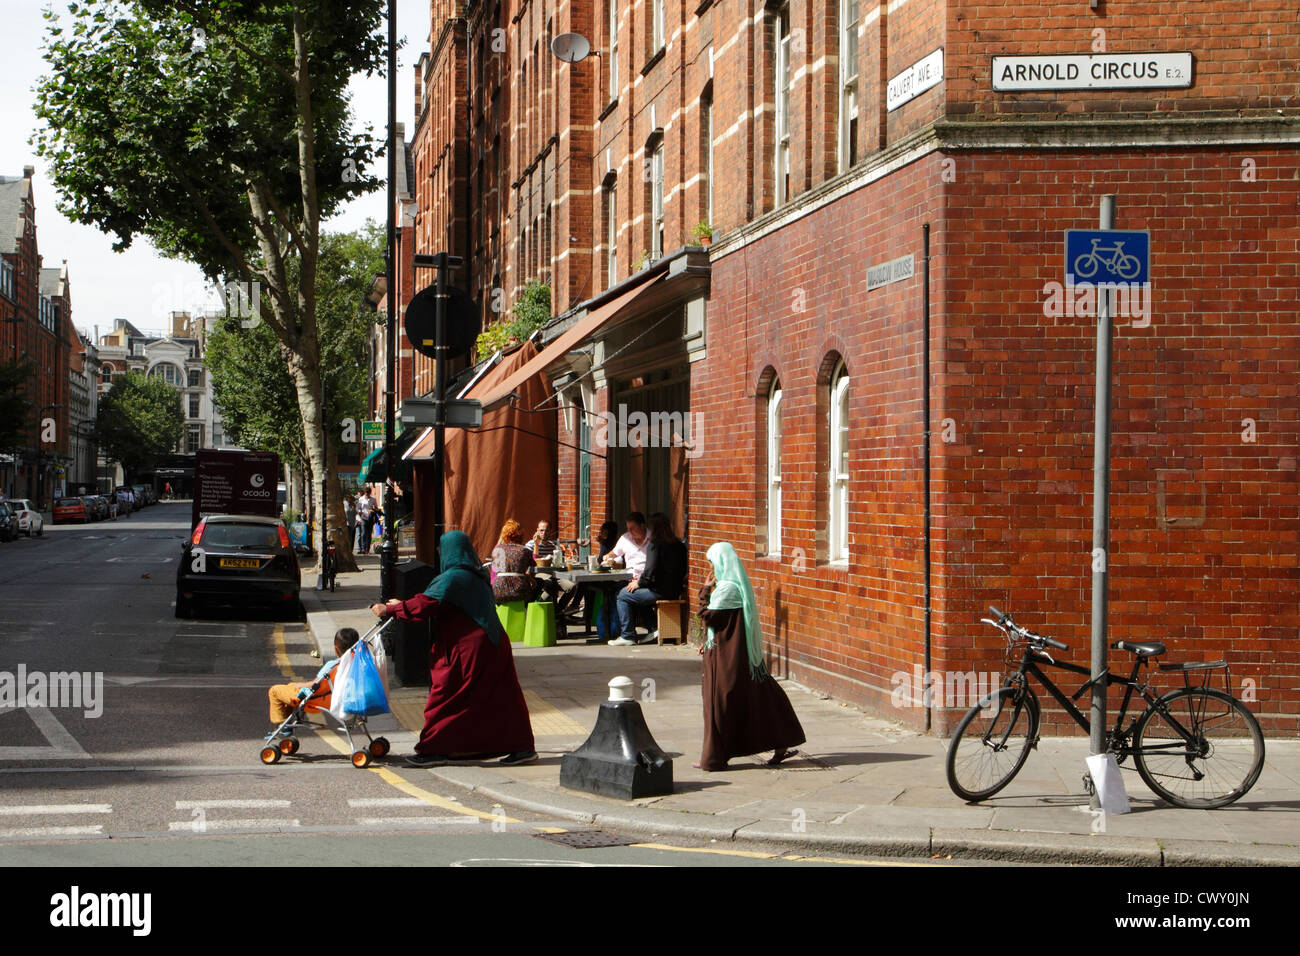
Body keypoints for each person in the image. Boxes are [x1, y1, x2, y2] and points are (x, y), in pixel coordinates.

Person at [370, 531, 537, 767]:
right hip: (494, 644)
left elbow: (426, 604)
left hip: (467, 650)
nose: (440, 553)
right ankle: (522, 747)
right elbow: (437, 601)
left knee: (447, 696)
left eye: (442, 549)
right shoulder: (476, 574)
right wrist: (405, 605)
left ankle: (432, 749)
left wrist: (390, 610)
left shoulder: (452, 577)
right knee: (502, 699)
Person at [695, 542, 805, 771]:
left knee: (721, 703)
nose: (711, 568)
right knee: (753, 697)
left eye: (713, 562)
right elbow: (720, 624)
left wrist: (704, 592)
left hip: (728, 658)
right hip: (728, 653)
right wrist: (707, 641)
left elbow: (708, 617)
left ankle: (714, 758)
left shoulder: (727, 590)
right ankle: (778, 741)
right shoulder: (732, 586)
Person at [612, 512, 687, 646]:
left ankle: (627, 635)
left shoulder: (655, 545)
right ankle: (653, 629)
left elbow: (650, 570)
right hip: (675, 589)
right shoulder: (679, 545)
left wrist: (639, 583)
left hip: (659, 590)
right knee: (638, 597)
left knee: (623, 595)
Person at [267, 627, 359, 724]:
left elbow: (315, 684)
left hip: (313, 700)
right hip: (333, 700)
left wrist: (299, 685)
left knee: (275, 691)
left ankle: (281, 725)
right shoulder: (357, 665)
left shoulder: (333, 666)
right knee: (289, 688)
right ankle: (286, 725)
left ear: (336, 649)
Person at [490, 519, 537, 603]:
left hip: (498, 590)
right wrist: (536, 545)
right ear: (520, 535)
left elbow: (495, 571)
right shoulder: (524, 550)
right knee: (538, 585)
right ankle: (528, 612)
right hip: (519, 591)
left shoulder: (497, 549)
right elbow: (534, 564)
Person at [356, 486, 376, 553]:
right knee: (364, 533)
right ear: (364, 493)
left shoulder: (373, 499)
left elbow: (376, 508)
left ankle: (367, 549)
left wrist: (373, 510)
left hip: (370, 518)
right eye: (366, 493)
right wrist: (360, 512)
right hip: (363, 517)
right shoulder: (361, 499)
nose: (367, 494)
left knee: (369, 534)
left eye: (368, 493)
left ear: (370, 493)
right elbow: (358, 508)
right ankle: (363, 548)